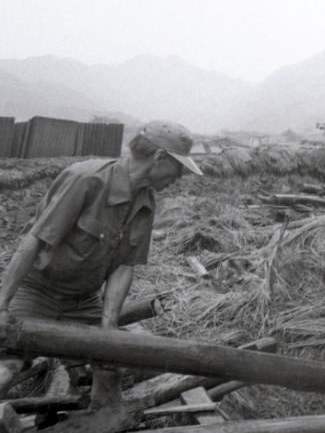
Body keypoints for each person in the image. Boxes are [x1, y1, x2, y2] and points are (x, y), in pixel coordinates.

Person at [0, 120, 203, 405]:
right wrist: (2, 305)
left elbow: (123, 267)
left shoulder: (145, 201)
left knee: (108, 366)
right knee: (7, 367)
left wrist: (108, 332)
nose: (178, 177)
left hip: (83, 301)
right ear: (159, 157)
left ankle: (92, 425)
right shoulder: (86, 179)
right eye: (178, 167)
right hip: (37, 292)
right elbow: (34, 241)